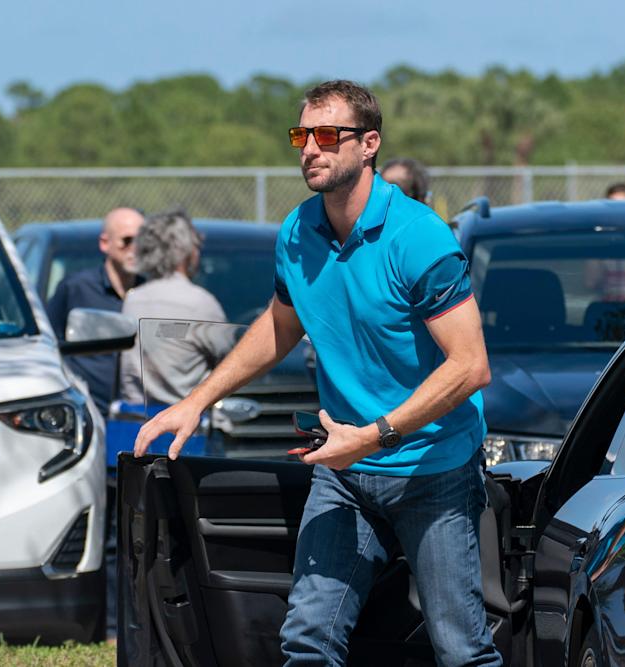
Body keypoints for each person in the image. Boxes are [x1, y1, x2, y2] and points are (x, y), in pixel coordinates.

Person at [133, 80, 502, 667]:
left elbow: (470, 366)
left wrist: (375, 434)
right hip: (342, 470)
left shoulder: (419, 237)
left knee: (460, 650)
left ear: (369, 144)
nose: (310, 148)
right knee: (308, 640)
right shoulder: (297, 231)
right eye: (301, 134)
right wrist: (196, 400)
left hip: (431, 468)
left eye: (328, 135)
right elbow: (281, 326)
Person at [118, 209, 229, 406]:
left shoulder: (132, 301)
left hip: (135, 418)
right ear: (186, 251)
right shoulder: (200, 303)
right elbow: (231, 360)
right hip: (187, 418)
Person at [46, 206, 144, 415]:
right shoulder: (76, 289)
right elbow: (48, 344)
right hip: (88, 412)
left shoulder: (152, 293)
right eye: (127, 241)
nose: (135, 249)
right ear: (105, 243)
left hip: (141, 413)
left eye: (142, 241)